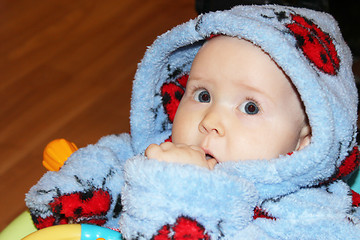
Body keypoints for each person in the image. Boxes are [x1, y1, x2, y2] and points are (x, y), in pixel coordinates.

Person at [26, 4, 360, 239]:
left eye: (250, 107)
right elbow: (107, 163)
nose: (211, 120)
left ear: (308, 138)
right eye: (202, 96)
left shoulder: (314, 216)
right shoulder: (155, 149)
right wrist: (76, 184)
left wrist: (180, 187)